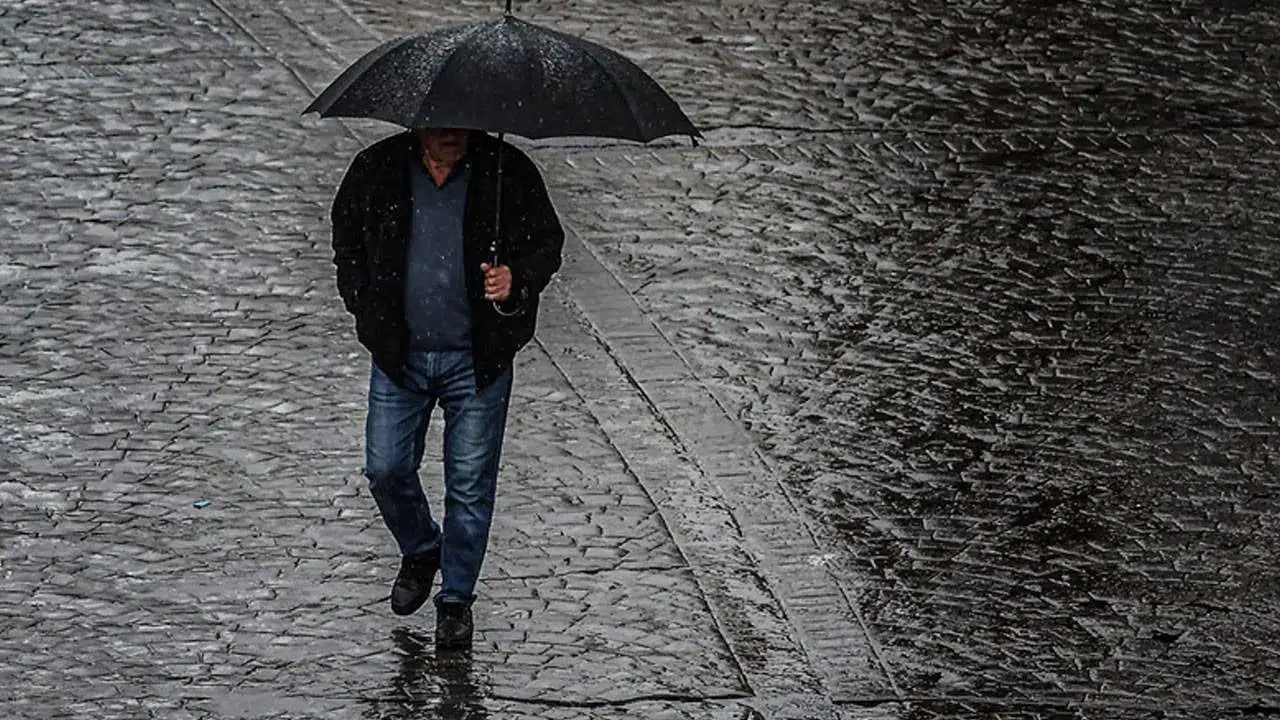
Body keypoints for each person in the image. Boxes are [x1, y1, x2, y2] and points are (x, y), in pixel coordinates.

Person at [330, 127, 564, 648]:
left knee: (470, 486)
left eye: (462, 125)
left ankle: (456, 600)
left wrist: (516, 278)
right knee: (386, 467)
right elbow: (346, 238)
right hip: (400, 358)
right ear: (419, 126)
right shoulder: (378, 169)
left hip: (477, 360)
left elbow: (548, 243)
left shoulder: (508, 172)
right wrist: (364, 306)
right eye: (442, 125)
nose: (453, 136)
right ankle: (420, 547)